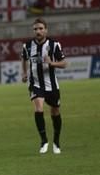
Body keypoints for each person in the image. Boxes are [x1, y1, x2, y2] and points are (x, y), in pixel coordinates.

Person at [21, 18, 67, 154]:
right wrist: (24, 73)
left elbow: (64, 63)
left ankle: (56, 142)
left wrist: (52, 63)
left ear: (46, 30)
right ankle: (44, 141)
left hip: (51, 85)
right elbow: (24, 58)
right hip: (35, 83)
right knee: (38, 109)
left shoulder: (54, 45)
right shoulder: (27, 46)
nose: (38, 31)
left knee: (55, 111)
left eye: (41, 28)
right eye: (35, 29)